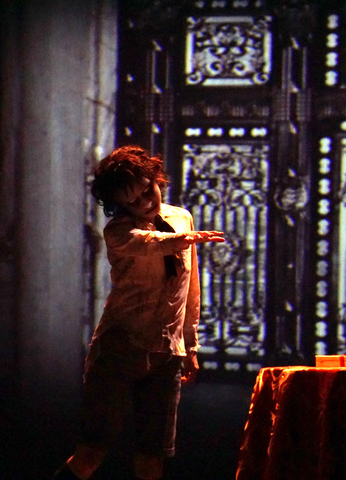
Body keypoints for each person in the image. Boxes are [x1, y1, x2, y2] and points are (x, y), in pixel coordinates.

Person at [53, 145, 224, 480]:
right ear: (121, 205)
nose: (146, 202)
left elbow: (190, 291)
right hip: (120, 350)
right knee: (91, 453)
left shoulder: (181, 218)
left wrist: (190, 346)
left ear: (156, 179)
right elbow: (144, 241)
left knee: (152, 457)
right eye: (133, 201)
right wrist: (180, 240)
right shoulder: (118, 230)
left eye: (148, 190)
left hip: (166, 355)